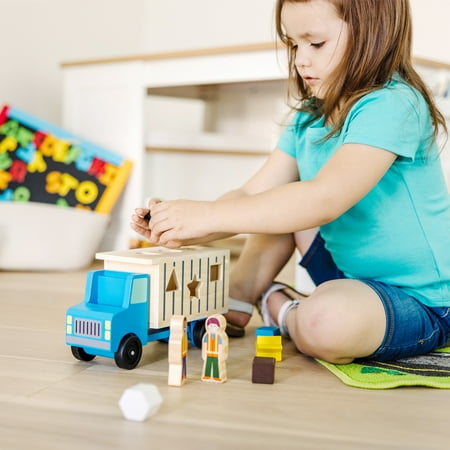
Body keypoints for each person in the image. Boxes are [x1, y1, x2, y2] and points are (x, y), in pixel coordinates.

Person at [131, 0, 450, 365]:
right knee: (271, 202)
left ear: (372, 37)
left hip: (423, 299)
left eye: (315, 44)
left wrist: (210, 218)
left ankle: (279, 305)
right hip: (347, 274)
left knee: (324, 324)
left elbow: (324, 199)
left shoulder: (394, 104)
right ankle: (239, 291)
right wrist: (193, 224)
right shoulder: (307, 118)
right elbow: (254, 192)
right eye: (294, 44)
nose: (300, 59)